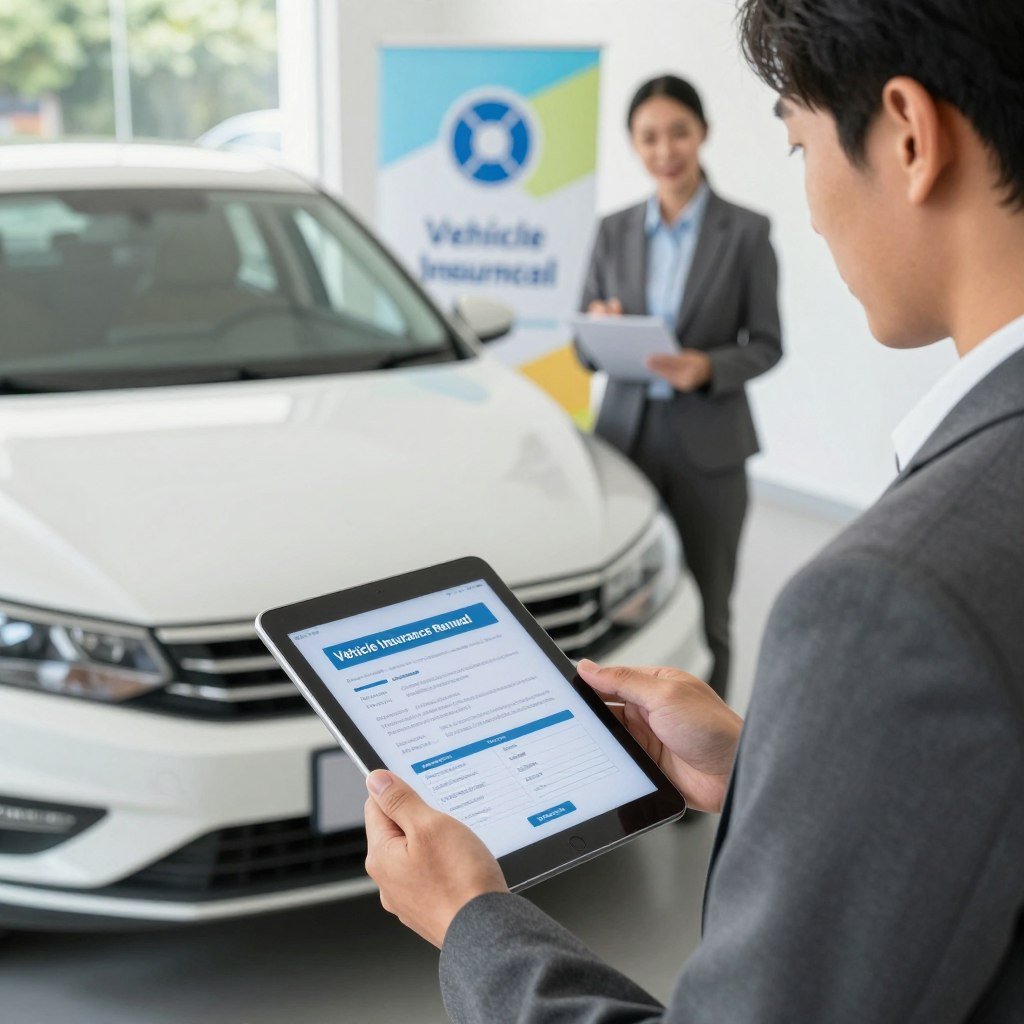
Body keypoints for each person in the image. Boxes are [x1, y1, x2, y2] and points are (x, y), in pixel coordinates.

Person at [362, 1, 1024, 1021]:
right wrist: (777, 761)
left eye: (799, 144)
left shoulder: (884, 602)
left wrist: (472, 918)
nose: (807, 199)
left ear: (905, 132)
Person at [580, 74, 783, 698]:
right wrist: (599, 331)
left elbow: (768, 344)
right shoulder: (613, 231)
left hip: (710, 446)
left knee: (708, 606)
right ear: (633, 145)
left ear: (702, 134)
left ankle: (712, 770)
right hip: (625, 440)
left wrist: (708, 367)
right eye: (648, 137)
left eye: (678, 132)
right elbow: (583, 348)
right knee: (619, 614)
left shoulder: (746, 231)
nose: (664, 150)